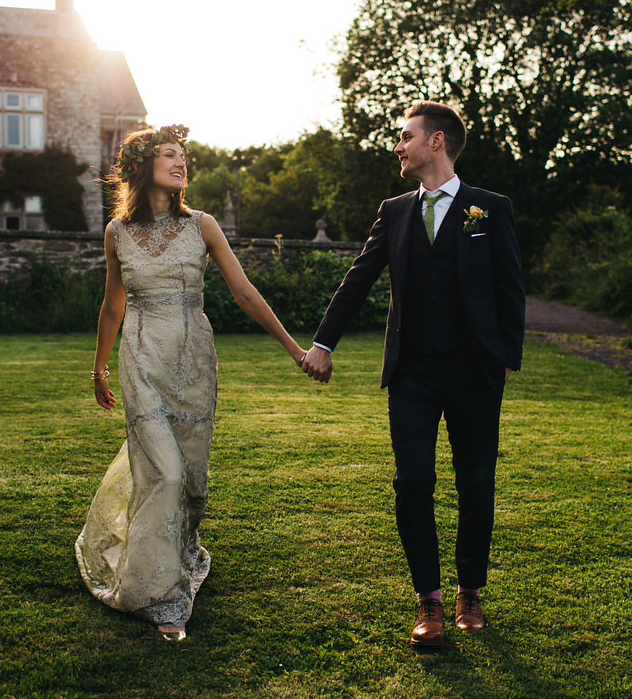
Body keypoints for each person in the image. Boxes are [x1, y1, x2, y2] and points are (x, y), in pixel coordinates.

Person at [301, 101, 525, 648]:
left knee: (476, 483)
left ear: (437, 142)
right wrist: (324, 342)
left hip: (475, 372)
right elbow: (359, 278)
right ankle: (429, 601)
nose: (397, 146)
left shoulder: (488, 209)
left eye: (405, 137)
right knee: (413, 483)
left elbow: (510, 289)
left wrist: (503, 361)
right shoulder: (395, 211)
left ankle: (471, 590)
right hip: (412, 374)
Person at [77, 124, 306, 641]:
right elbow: (112, 306)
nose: (180, 163)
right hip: (142, 361)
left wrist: (293, 348)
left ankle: (179, 551)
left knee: (193, 485)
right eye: (168, 155)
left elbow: (244, 292)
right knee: (167, 476)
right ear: (143, 166)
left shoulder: (201, 225)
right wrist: (98, 368)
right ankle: (161, 599)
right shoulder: (116, 233)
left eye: (183, 156)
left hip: (193, 364)